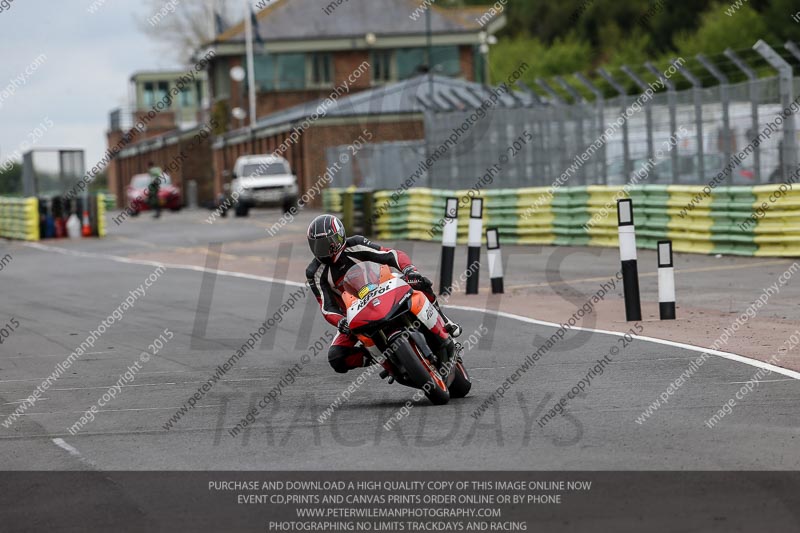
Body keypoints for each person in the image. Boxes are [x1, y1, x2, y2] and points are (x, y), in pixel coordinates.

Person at [305, 214, 461, 374]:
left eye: (326, 244)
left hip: (386, 288)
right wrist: (341, 322)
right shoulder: (314, 272)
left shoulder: (356, 245)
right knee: (336, 357)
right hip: (355, 315)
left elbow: (391, 254)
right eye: (317, 245)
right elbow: (326, 306)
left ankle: (444, 321)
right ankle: (379, 357)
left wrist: (409, 270)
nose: (322, 250)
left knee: (421, 283)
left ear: (339, 237)